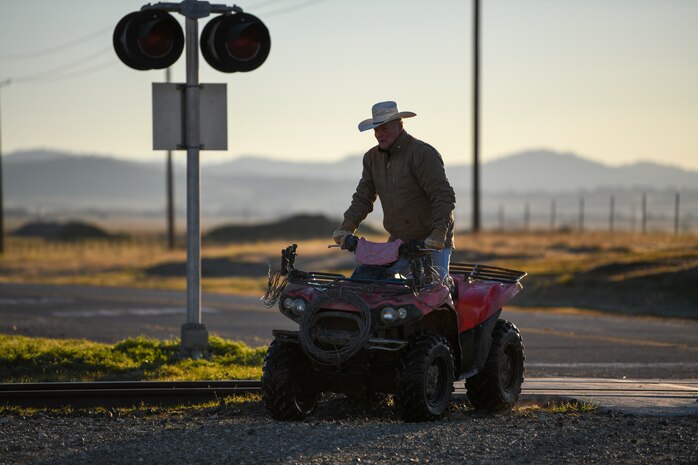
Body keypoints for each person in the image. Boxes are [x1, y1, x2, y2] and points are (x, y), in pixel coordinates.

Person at [333, 101, 456, 279]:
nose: (379, 135)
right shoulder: (372, 158)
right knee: (385, 293)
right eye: (376, 130)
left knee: (435, 294)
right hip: (399, 243)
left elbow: (443, 196)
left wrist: (438, 233)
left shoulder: (421, 153)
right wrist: (347, 227)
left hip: (431, 243)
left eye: (384, 128)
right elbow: (363, 197)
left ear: (399, 125)